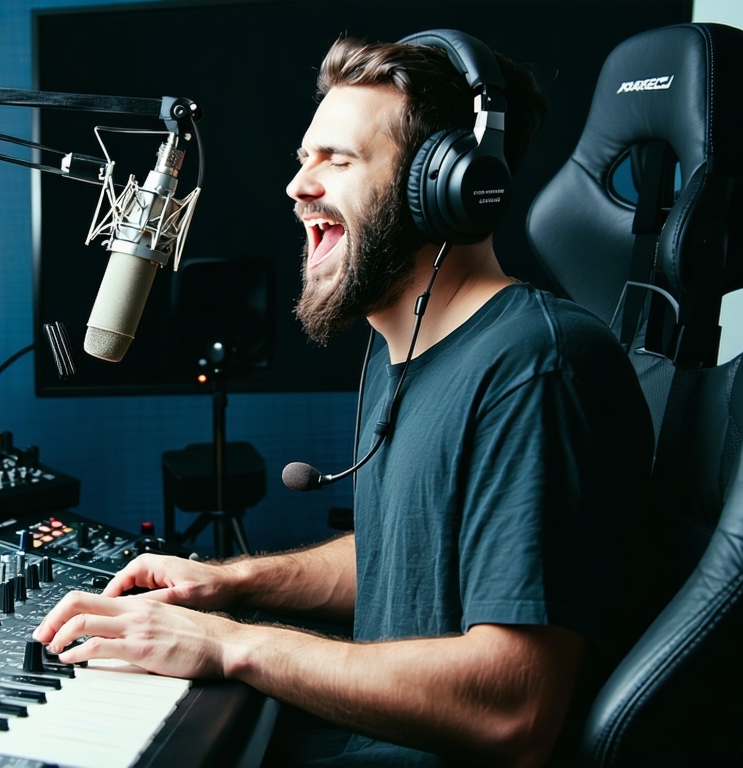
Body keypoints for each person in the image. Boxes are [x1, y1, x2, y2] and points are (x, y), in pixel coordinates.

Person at [34, 34, 653, 767]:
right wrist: (230, 582)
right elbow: (412, 554)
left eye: (339, 159)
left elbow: (514, 711)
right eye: (304, 157)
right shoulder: (403, 349)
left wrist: (229, 643)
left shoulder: (536, 366)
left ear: (445, 186)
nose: (298, 187)